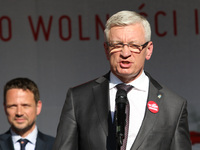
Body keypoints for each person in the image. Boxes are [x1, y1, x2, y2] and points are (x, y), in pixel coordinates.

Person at [53, 10, 192, 150]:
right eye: (117, 45)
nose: (125, 53)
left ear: (148, 50)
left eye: (134, 46)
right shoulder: (79, 99)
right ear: (107, 50)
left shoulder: (173, 106)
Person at [0, 78, 55, 150]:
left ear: (38, 107)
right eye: (13, 106)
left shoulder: (56, 146)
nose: (19, 113)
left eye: (25, 106)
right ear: (5, 108)